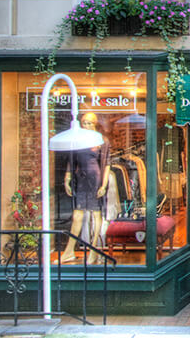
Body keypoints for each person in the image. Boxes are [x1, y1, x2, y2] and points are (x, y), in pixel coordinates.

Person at [60, 113, 110, 264]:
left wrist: (104, 184)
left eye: (89, 123)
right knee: (77, 215)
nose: (86, 126)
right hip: (80, 179)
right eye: (84, 123)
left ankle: (94, 251)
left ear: (95, 124)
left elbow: (107, 164)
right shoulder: (77, 140)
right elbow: (71, 160)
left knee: (96, 215)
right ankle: (69, 251)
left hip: (95, 179)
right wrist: (67, 177)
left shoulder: (101, 140)